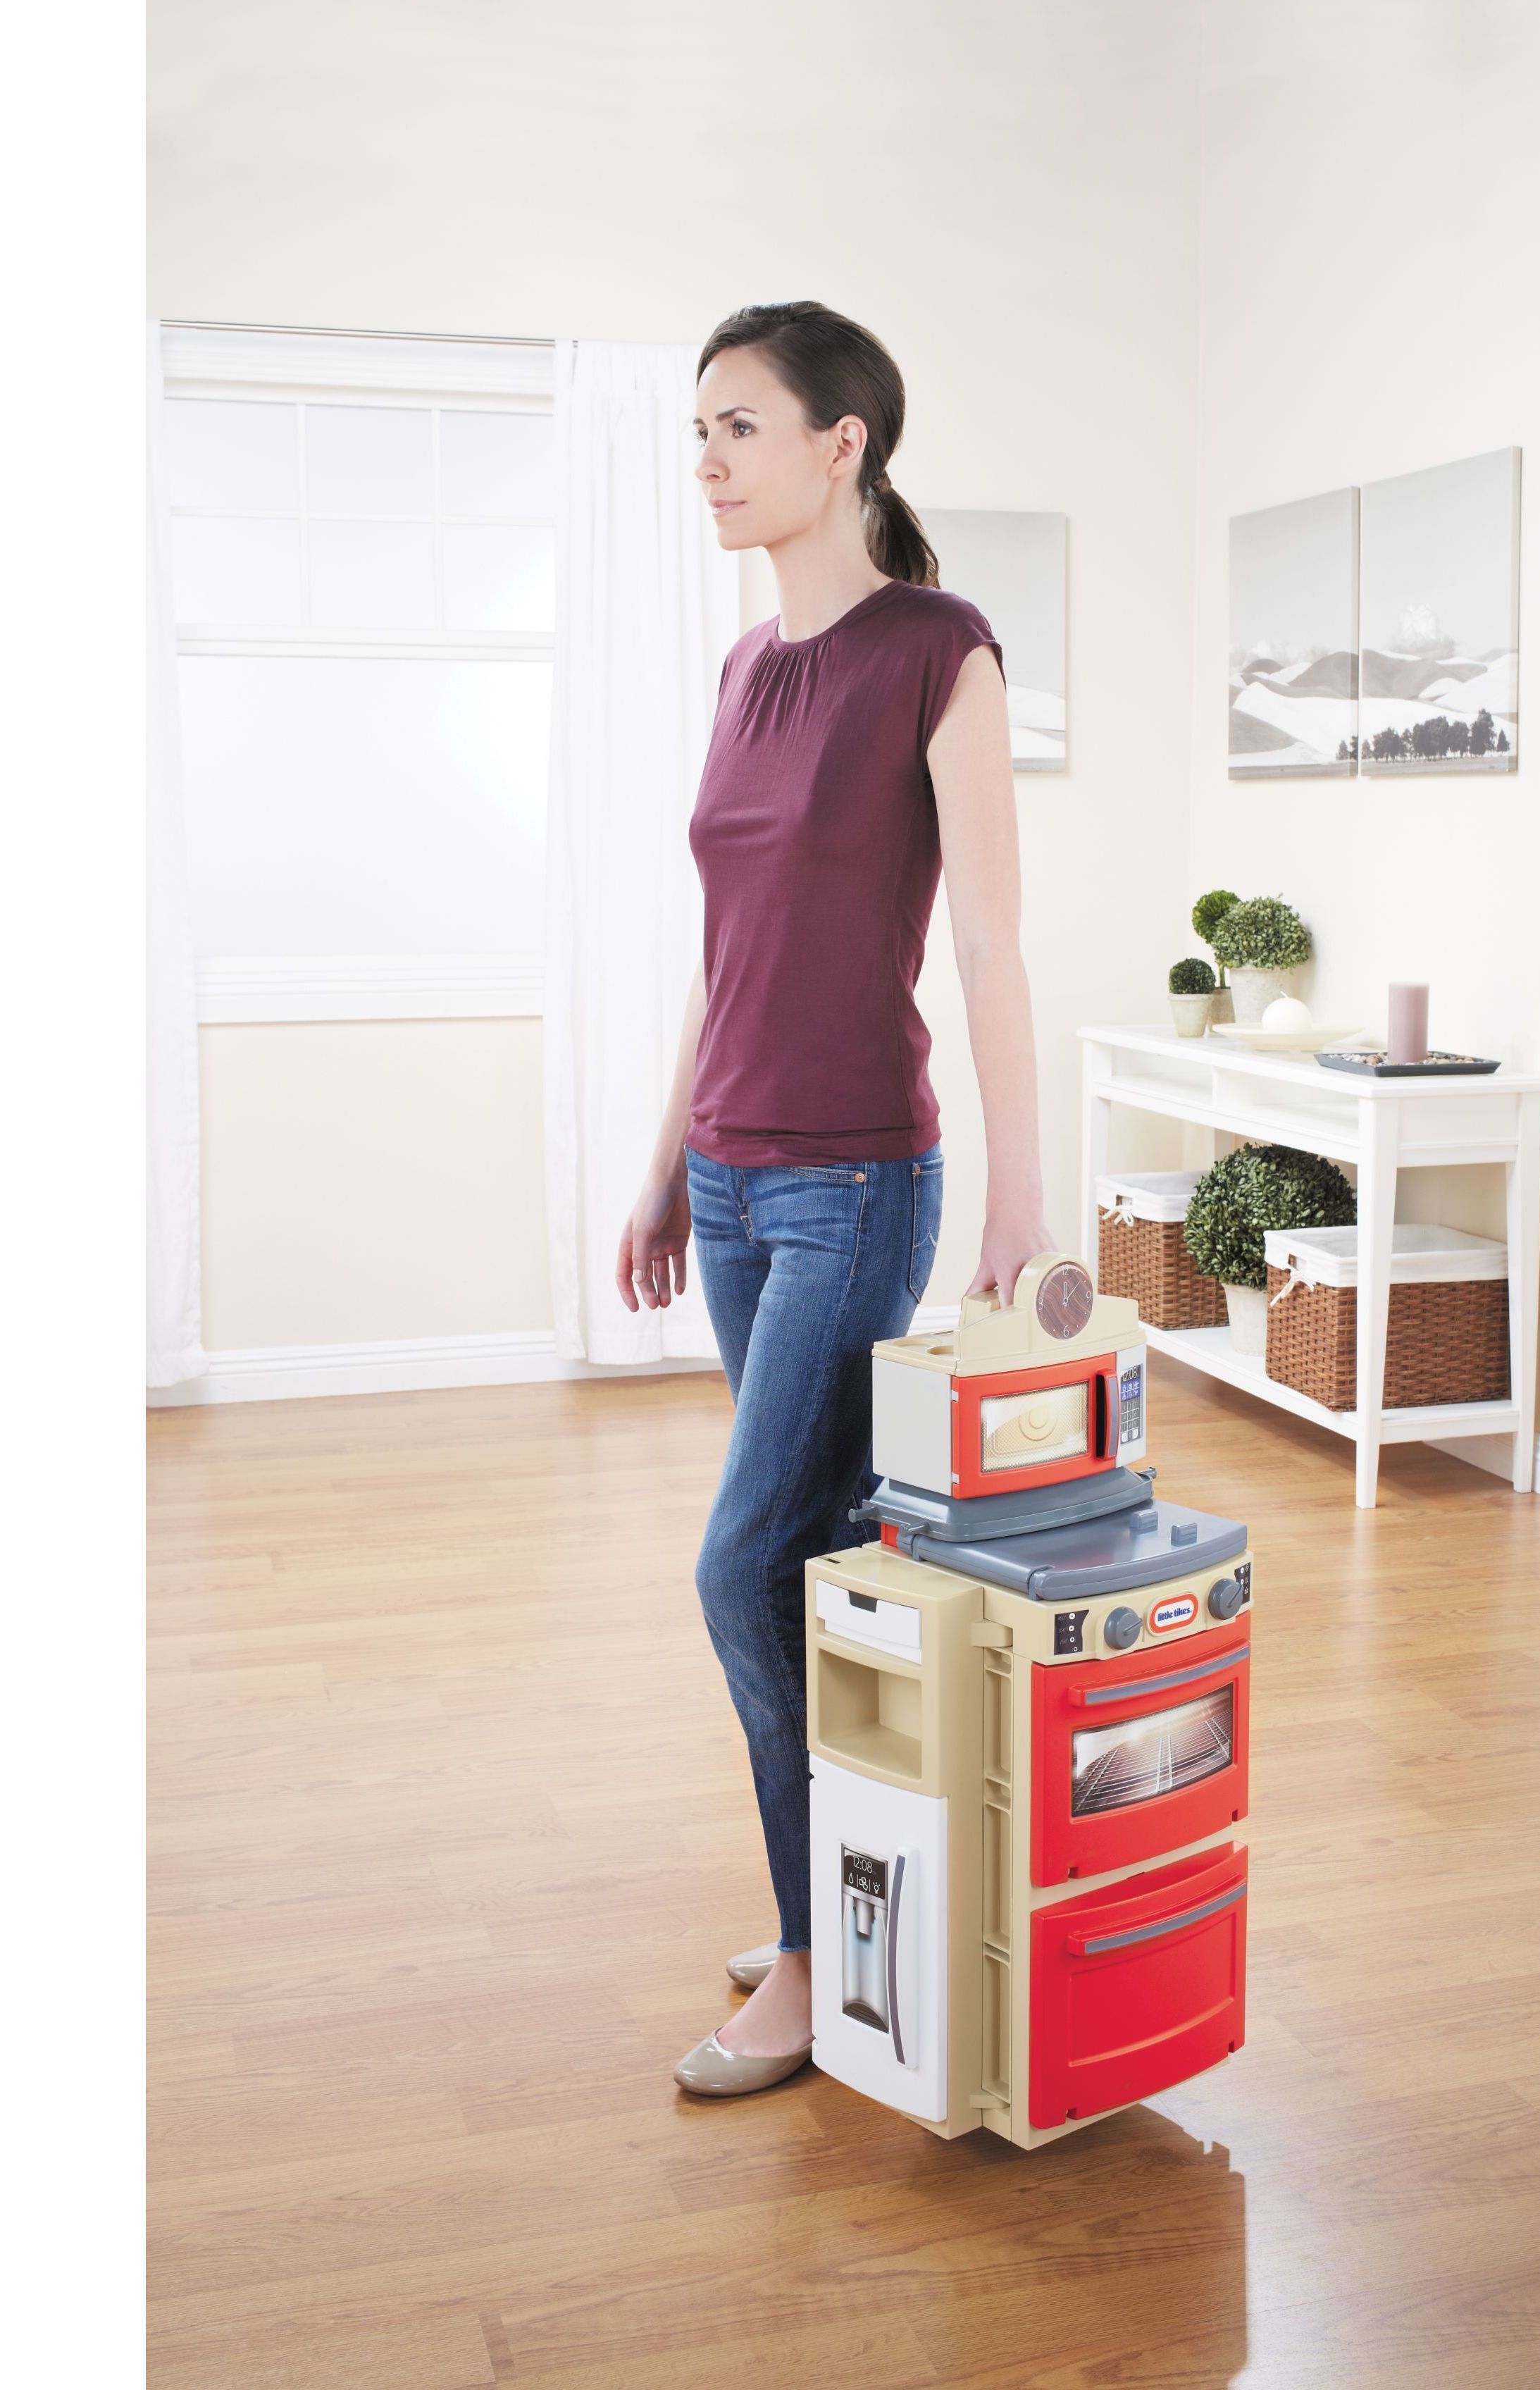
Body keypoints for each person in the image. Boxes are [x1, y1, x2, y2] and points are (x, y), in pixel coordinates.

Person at [614, 300, 1052, 2097]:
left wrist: (1022, 1193)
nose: (705, 461)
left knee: (739, 1560)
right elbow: (728, 956)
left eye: (736, 427)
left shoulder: (937, 649)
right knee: (798, 1565)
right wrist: (663, 1163)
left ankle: (811, 1959)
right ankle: (842, 1898)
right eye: (697, 430)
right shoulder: (739, 673)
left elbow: (990, 938)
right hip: (729, 1176)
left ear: (838, 446)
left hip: (856, 1185)